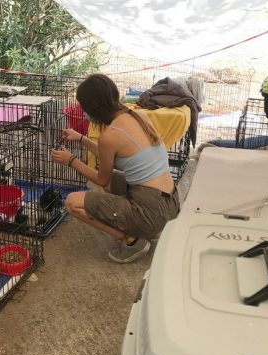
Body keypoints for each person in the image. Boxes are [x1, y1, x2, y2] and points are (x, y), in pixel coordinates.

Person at [50, 73, 180, 263]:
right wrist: (80, 138)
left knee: (72, 202)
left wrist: (71, 161)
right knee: (112, 180)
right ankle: (149, 229)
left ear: (94, 108)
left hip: (150, 210)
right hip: (170, 204)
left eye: (84, 108)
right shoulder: (137, 116)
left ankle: (131, 240)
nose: (84, 113)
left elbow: (100, 178)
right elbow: (108, 156)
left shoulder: (110, 135)